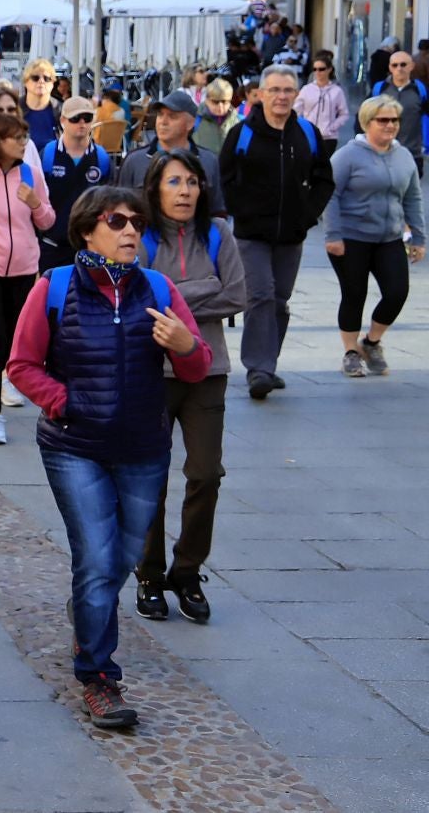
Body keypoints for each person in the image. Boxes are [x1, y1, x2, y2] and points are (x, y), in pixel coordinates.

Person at [6, 186, 211, 729]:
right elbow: (22, 364)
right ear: (87, 229)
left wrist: (185, 346)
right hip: (76, 448)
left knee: (120, 561)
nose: (129, 232)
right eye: (116, 221)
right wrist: (63, 402)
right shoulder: (55, 286)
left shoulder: (160, 289)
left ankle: (87, 614)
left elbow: (197, 367)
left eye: (137, 224)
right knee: (97, 559)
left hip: (143, 448)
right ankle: (99, 677)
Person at [133, 151, 248, 626]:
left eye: (192, 182)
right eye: (174, 182)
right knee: (150, 479)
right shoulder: (140, 235)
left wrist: (173, 294)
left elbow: (237, 294)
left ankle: (187, 571)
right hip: (151, 373)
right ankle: (149, 575)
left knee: (206, 473)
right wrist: (201, 287)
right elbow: (139, 300)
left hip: (207, 370)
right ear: (156, 188)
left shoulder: (219, 234)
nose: (184, 191)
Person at [219, 65, 334, 400]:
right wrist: (242, 211)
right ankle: (258, 368)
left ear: (296, 95)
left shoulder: (307, 134)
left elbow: (324, 179)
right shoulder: (243, 134)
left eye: (287, 90)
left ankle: (268, 362)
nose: (281, 97)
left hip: (291, 235)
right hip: (252, 234)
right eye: (275, 90)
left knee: (280, 300)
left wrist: (308, 215)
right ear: (261, 94)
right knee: (261, 295)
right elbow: (224, 178)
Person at [324, 95, 425, 377]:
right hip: (351, 237)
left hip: (389, 237)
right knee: (354, 293)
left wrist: (419, 238)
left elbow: (413, 198)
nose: (390, 125)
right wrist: (333, 235)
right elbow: (329, 195)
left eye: (394, 120)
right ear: (367, 122)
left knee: (397, 293)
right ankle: (350, 352)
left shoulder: (403, 155)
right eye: (383, 120)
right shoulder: (348, 155)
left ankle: (371, 342)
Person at [0, 112, 53, 445]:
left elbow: (48, 220)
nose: (23, 143)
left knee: (15, 342)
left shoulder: (30, 173)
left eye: (24, 136)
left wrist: (35, 204)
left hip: (23, 268)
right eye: (16, 137)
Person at [37, 95, 117, 271]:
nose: (81, 123)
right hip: (53, 246)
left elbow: (110, 202)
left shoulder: (101, 158)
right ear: (63, 120)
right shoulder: (48, 155)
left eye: (87, 118)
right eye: (75, 118)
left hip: (90, 246)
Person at [115, 90, 225, 215]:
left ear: (190, 123)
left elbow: (217, 211)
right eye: (160, 115)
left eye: (172, 116)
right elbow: (120, 209)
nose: (163, 122)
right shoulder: (134, 161)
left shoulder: (208, 161)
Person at [366, 47, 428, 170]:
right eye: (395, 65)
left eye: (403, 64)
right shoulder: (380, 89)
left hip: (412, 154)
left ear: (411, 66)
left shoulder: (420, 90)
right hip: (382, 154)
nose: (399, 68)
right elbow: (363, 118)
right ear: (390, 68)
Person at [296, 51, 349, 144]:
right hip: (309, 135)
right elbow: (296, 111)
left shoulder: (337, 91)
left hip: (329, 137)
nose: (317, 72)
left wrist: (332, 127)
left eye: (321, 69)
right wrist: (303, 127)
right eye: (315, 69)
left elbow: (344, 114)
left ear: (329, 69)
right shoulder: (306, 89)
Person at [193, 79, 238, 154]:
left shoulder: (238, 121)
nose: (220, 107)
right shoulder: (194, 120)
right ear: (207, 100)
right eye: (215, 102)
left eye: (224, 102)